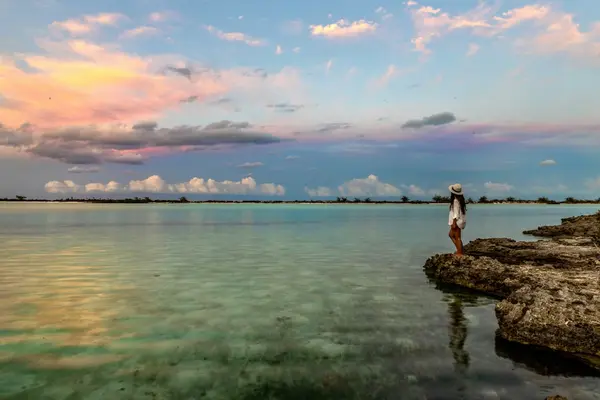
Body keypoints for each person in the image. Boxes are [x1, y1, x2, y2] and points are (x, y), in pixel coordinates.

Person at [448, 183, 467, 256]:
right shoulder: (460, 200)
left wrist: (454, 223)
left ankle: (459, 253)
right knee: (451, 235)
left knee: (457, 237)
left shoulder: (455, 201)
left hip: (456, 221)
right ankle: (460, 250)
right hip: (460, 220)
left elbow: (455, 213)